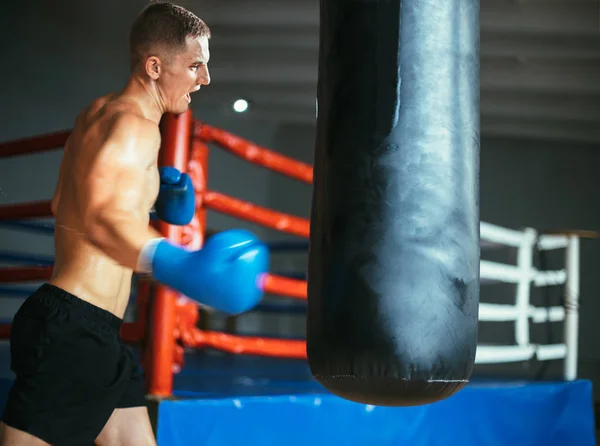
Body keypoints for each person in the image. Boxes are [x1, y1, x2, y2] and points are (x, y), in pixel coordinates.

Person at [0, 2, 268, 445]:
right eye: (195, 66)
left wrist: (152, 199)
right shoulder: (135, 128)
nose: (205, 79)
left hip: (88, 327)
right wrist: (180, 266)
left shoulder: (97, 114)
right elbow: (103, 220)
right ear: (155, 66)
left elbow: (62, 204)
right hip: (75, 331)